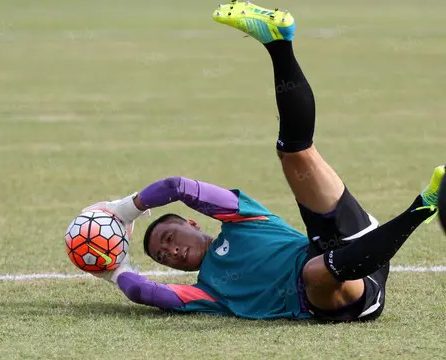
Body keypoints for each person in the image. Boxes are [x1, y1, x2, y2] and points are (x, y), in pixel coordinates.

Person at [82, 1, 444, 321]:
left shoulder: (245, 220)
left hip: (346, 243)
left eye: (170, 237)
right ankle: (422, 207)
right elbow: (146, 293)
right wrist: (116, 271)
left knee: (295, 155)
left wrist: (127, 208)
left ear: (192, 223)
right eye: (164, 256)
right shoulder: (210, 291)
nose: (172, 251)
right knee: (315, 273)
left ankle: (278, 42)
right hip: (342, 298)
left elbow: (179, 187)